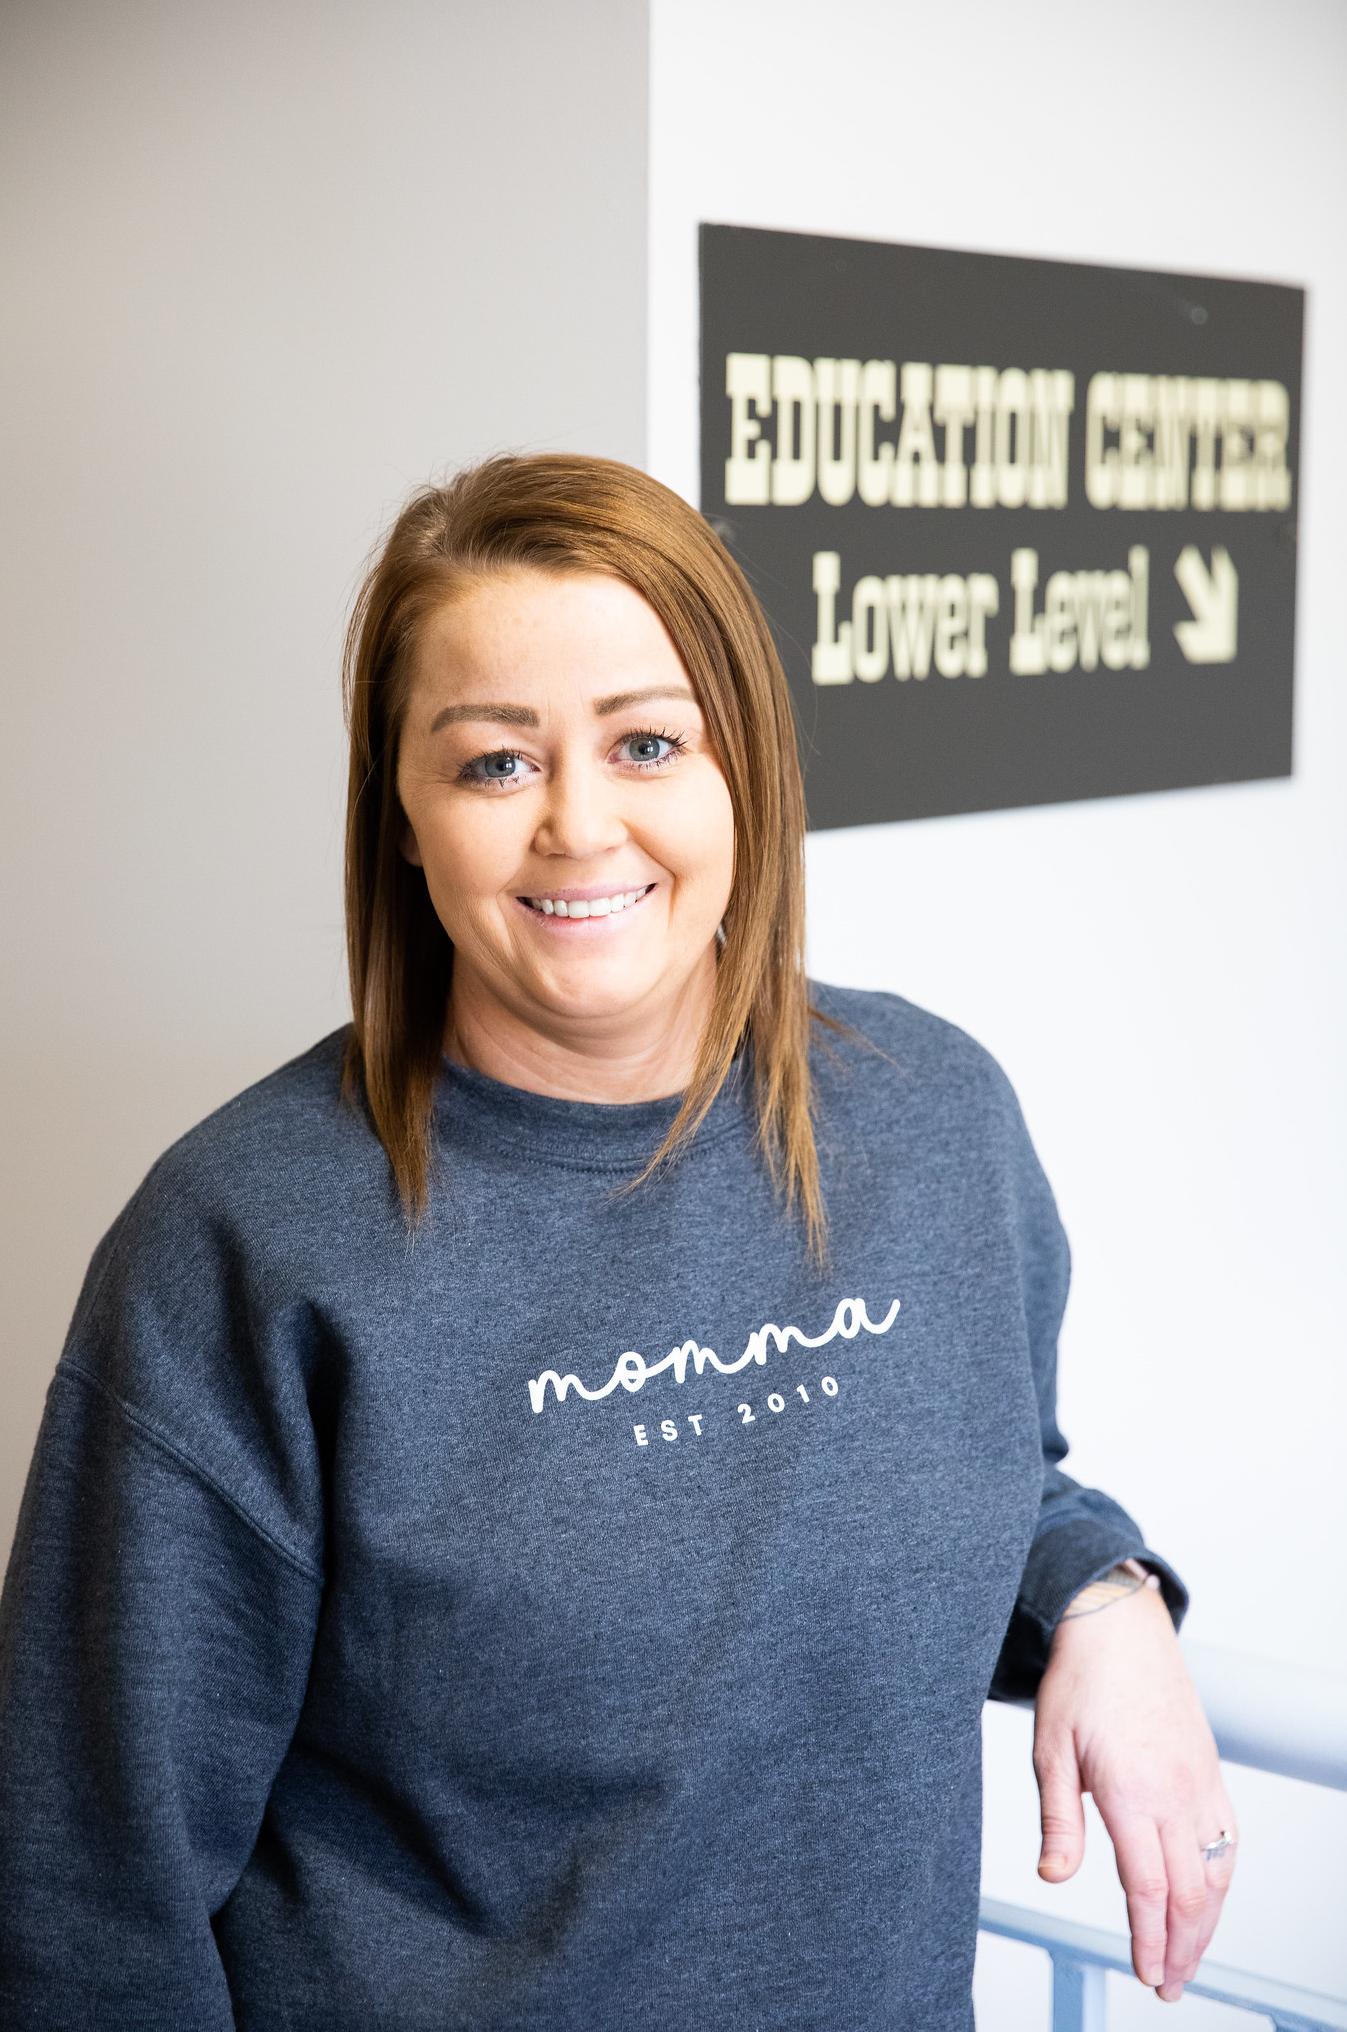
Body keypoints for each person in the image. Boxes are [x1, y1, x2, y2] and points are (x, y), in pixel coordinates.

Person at [0, 451, 1236, 2029]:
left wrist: (1101, 1594)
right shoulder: (244, 1242)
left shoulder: (933, 1121)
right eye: (495, 764)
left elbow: (966, 1459)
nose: (580, 826)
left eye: (648, 742)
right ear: (404, 812)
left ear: (750, 774)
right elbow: (87, 1902)